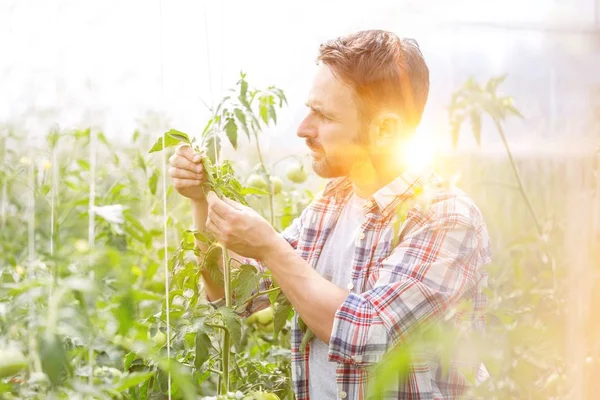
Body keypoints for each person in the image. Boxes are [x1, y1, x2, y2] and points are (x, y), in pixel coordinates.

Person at [168, 29, 492, 400]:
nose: (303, 128)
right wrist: (201, 200)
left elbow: (368, 333)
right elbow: (236, 298)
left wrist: (271, 249)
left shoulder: (445, 217)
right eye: (309, 109)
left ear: (385, 130)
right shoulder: (332, 204)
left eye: (323, 115)